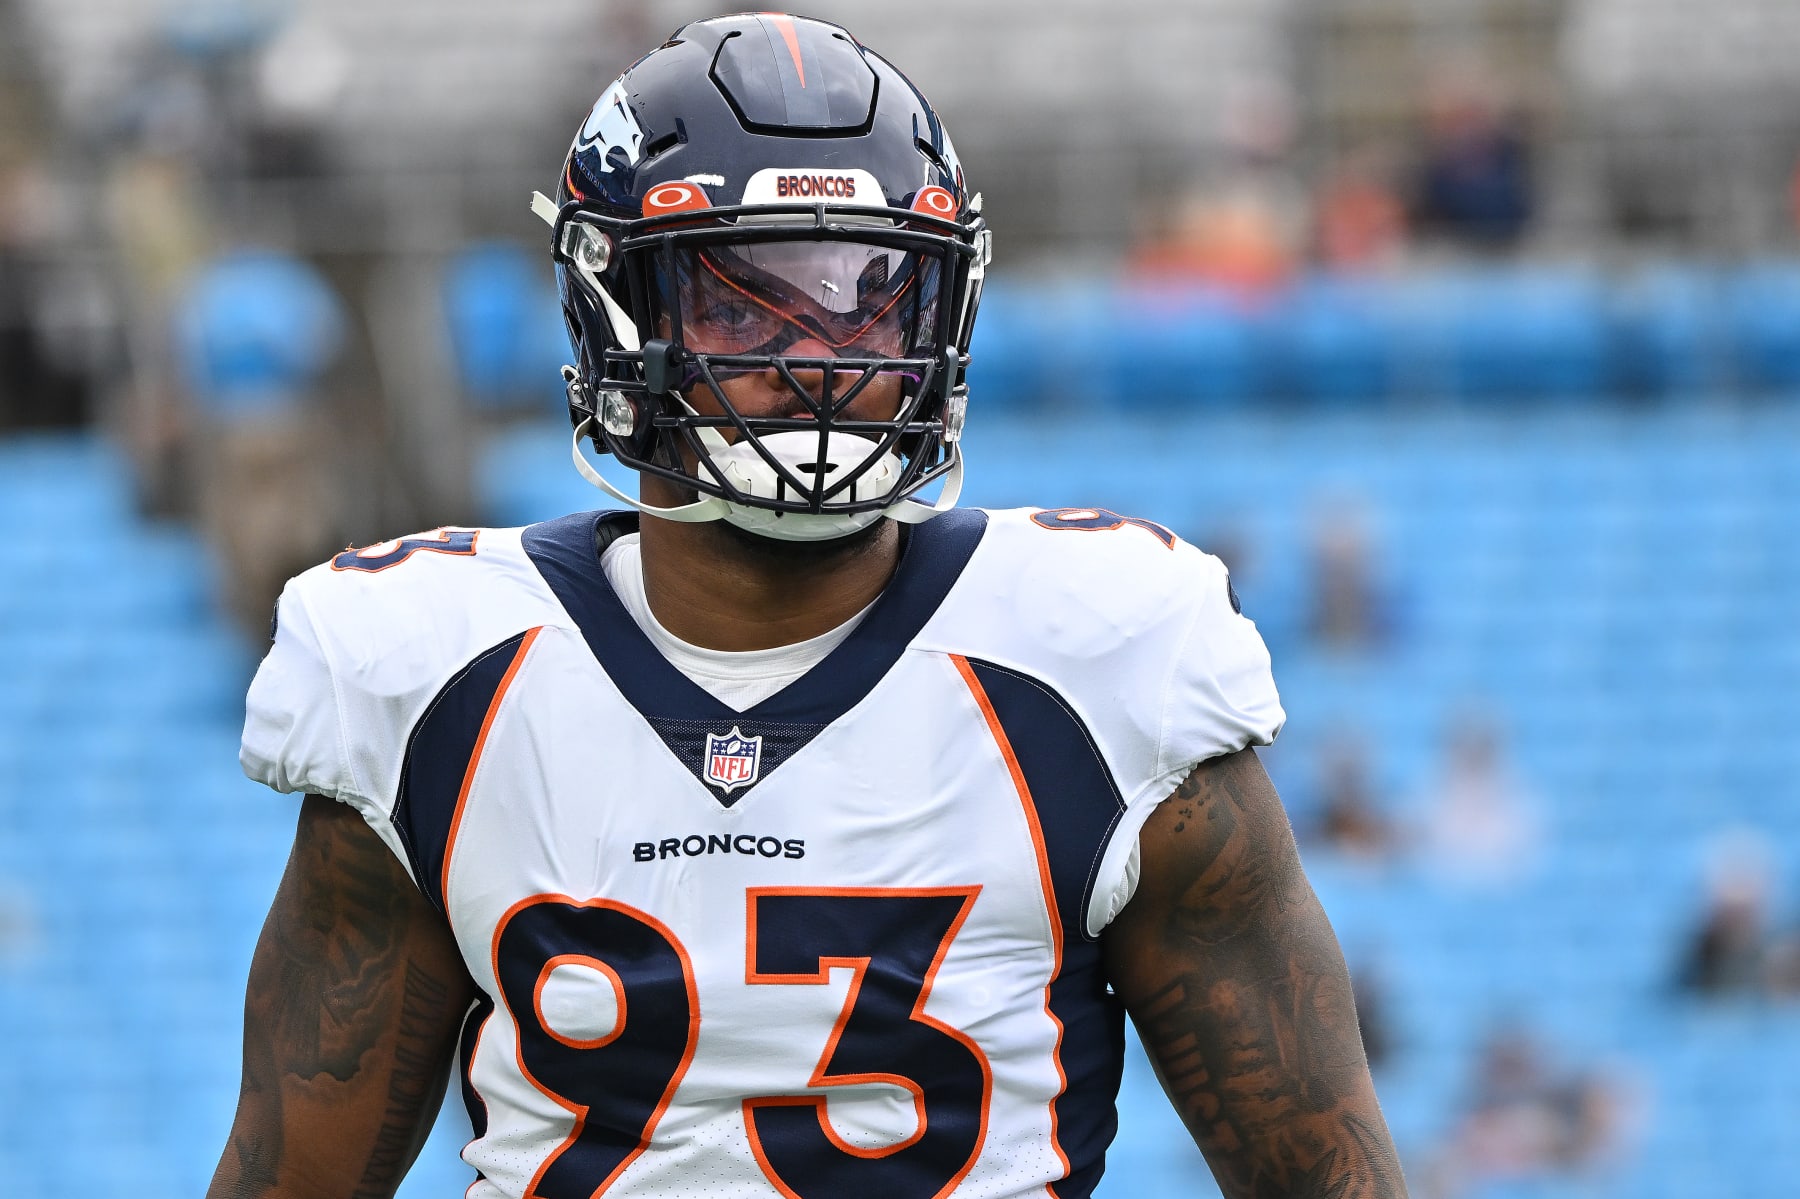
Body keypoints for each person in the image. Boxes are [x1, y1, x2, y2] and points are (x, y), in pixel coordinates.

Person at [211, 15, 1407, 1198]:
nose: (823, 360)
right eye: (745, 303)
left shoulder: (1101, 664)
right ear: (612, 308)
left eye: (873, 299)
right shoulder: (435, 682)